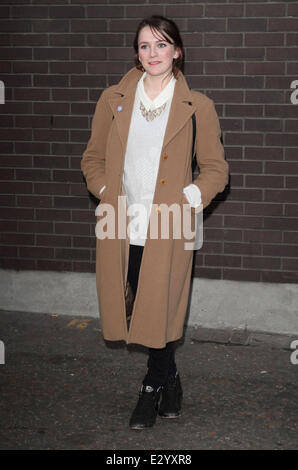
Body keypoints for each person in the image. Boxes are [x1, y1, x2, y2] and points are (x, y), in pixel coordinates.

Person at [81, 15, 229, 430]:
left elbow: (216, 169)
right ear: (137, 52)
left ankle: (150, 387)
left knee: (159, 305)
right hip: (121, 219)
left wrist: (189, 198)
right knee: (134, 307)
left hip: (169, 222)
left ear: (177, 51)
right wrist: (105, 188)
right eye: (145, 46)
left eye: (162, 45)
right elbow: (92, 157)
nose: (153, 54)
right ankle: (172, 380)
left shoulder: (197, 106)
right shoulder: (113, 99)